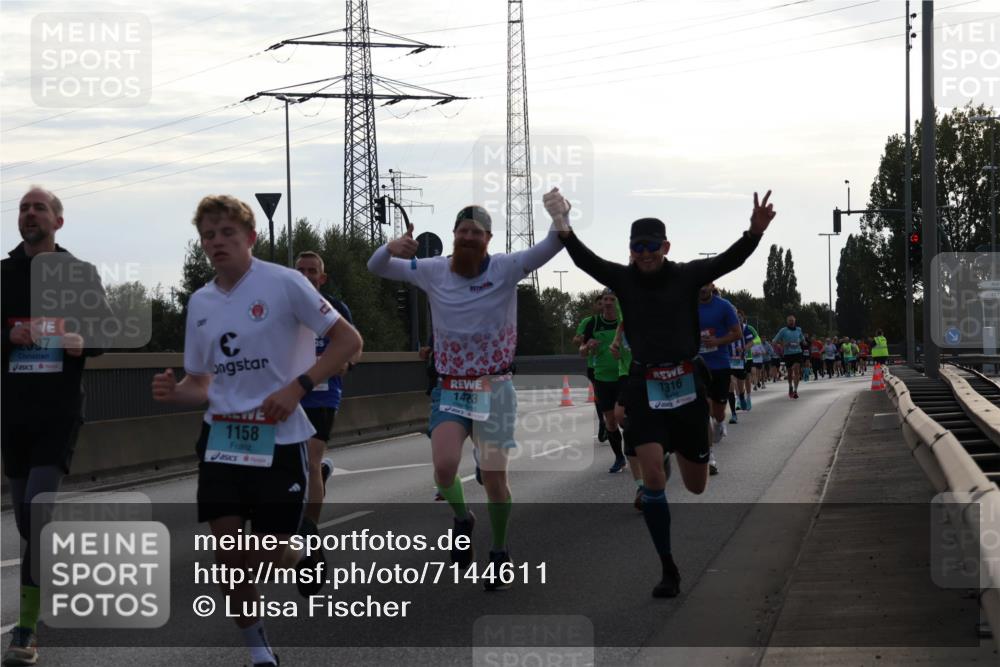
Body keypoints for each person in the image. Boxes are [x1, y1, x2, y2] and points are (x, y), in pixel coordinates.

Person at [152, 195, 363, 667]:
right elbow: (200, 385)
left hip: (279, 437)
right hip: (222, 438)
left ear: (250, 238)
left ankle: (299, 554)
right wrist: (173, 391)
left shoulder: (286, 283)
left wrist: (299, 387)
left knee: (268, 550)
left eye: (228, 233)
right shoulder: (201, 302)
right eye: (209, 235)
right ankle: (258, 651)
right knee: (228, 557)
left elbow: (350, 340)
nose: (217, 242)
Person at [552, 187, 776, 598]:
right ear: (631, 250)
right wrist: (564, 227)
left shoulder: (686, 275)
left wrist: (754, 232)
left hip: (688, 382)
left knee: (695, 486)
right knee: (652, 477)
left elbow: (729, 260)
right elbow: (586, 260)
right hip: (645, 383)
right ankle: (668, 568)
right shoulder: (622, 278)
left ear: (665, 246)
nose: (644, 253)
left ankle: (683, 453)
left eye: (652, 246)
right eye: (637, 247)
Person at [367, 196, 565, 589]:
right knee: (443, 468)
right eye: (462, 232)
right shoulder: (432, 270)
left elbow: (553, 244)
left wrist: (560, 216)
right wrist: (391, 247)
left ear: (489, 238)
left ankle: (499, 551)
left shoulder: (507, 268)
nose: (469, 237)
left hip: (495, 386)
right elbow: (376, 267)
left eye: (476, 232)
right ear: (453, 236)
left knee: (494, 479)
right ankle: (462, 518)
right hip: (451, 388)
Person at [2, 187, 114, 667]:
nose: (30, 213)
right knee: (29, 522)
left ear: (57, 222)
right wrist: (8, 334)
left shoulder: (79, 274)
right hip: (13, 413)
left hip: (58, 411)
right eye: (24, 207)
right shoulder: (3, 273)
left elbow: (106, 332)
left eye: (39, 207)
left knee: (38, 512)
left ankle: (25, 631)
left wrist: (80, 342)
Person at [293, 250, 359, 585]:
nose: (305, 276)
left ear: (322, 277)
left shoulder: (333, 308)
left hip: (322, 393)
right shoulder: (284, 308)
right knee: (297, 466)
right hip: (290, 395)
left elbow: (355, 346)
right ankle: (319, 477)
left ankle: (308, 531)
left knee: (310, 462)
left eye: (312, 271)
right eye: (300, 270)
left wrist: (345, 364)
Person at [579, 289, 628, 473]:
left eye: (612, 299)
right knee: (610, 421)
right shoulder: (593, 323)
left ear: (617, 302)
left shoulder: (624, 322)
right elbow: (582, 350)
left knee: (623, 417)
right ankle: (619, 458)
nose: (608, 303)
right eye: (605, 299)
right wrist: (587, 347)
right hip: (601, 377)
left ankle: (633, 451)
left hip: (623, 375)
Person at [697, 283, 742, 475]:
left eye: (706, 284)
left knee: (718, 412)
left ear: (711, 285)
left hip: (720, 365)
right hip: (697, 365)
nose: (702, 288)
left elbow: (737, 333)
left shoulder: (724, 306)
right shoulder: (687, 306)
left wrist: (717, 342)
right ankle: (710, 458)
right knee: (703, 411)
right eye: (700, 283)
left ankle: (720, 422)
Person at [575, 295, 607, 442]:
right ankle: (603, 421)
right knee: (600, 396)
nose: (603, 305)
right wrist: (586, 341)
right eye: (599, 303)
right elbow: (577, 339)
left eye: (605, 302)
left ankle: (611, 421)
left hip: (617, 366)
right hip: (594, 366)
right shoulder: (589, 322)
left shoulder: (618, 320)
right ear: (595, 306)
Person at [773, 315, 806, 399]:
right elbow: (774, 341)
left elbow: (803, 339)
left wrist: (803, 342)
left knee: (796, 370)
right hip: (788, 354)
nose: (791, 322)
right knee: (790, 373)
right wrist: (783, 345)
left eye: (792, 320)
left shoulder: (799, 329)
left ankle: (795, 391)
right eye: (790, 321)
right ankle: (790, 386)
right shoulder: (783, 330)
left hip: (797, 353)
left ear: (795, 321)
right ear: (787, 322)